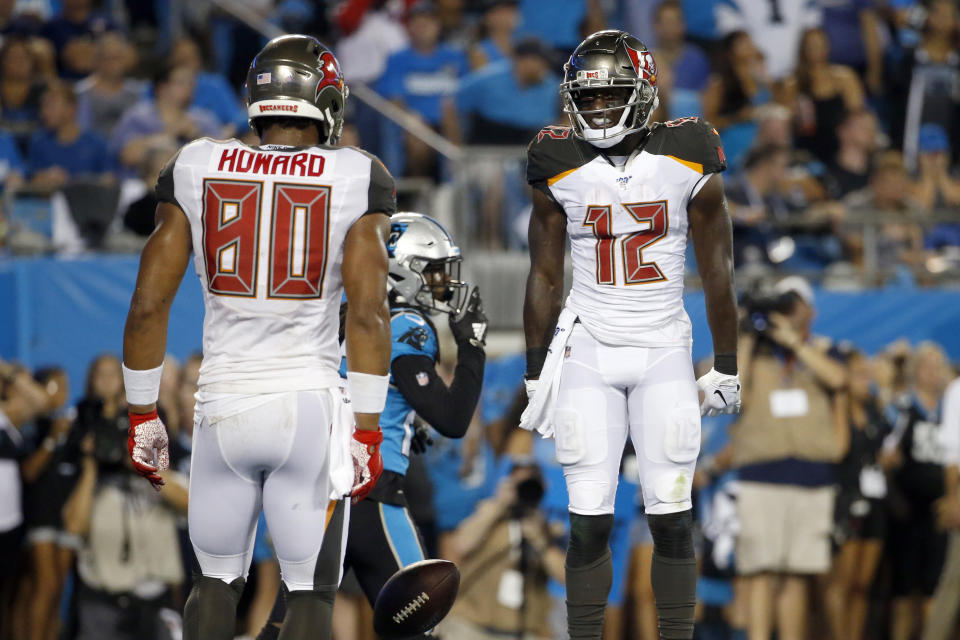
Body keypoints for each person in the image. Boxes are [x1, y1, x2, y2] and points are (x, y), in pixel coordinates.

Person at [120, 34, 396, 640]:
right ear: (323, 100)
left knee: (215, 584)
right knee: (310, 596)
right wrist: (370, 430)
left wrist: (142, 411)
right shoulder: (354, 173)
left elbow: (147, 305)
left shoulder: (197, 163)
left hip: (221, 406)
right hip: (307, 404)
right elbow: (372, 314)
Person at [521, 30, 740, 640]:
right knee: (587, 518)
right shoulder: (555, 159)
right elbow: (543, 275)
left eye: (608, 96)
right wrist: (536, 369)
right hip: (588, 348)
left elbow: (719, 270)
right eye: (585, 99)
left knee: (671, 514)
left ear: (643, 92)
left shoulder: (689, 151)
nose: (594, 110)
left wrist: (725, 362)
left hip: (664, 349)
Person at [257, 211, 488, 640]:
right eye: (433, 270)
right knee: (419, 628)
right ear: (402, 271)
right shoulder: (406, 324)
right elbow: (454, 420)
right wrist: (472, 347)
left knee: (286, 628)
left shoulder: (348, 320)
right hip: (370, 494)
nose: (443, 282)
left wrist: (404, 423)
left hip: (317, 494)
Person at [732, 278, 849, 640]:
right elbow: (733, 394)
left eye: (792, 303)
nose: (785, 310)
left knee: (797, 573)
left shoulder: (824, 350)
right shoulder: (756, 351)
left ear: (809, 311)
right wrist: (747, 334)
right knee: (761, 572)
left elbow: (838, 379)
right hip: (760, 473)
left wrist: (794, 342)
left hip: (811, 474)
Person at [884, 342, 952, 640]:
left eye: (938, 368)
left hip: (941, 510)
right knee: (903, 585)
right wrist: (894, 494)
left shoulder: (950, 410)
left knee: (934, 584)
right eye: (927, 367)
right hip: (907, 508)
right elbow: (885, 456)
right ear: (915, 372)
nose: (933, 374)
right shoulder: (902, 408)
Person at [824, 349, 891, 640]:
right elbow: (839, 450)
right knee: (843, 583)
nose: (867, 381)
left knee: (864, 584)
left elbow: (889, 440)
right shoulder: (836, 409)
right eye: (860, 375)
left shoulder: (874, 409)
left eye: (868, 375)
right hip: (846, 499)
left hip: (874, 502)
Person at [779, 27, 865, 165]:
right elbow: (784, 121)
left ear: (828, 46)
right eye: (811, 45)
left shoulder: (845, 77)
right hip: (805, 149)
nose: (816, 49)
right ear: (803, 49)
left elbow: (856, 114)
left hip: (841, 147)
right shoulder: (792, 84)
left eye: (820, 45)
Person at [25, 82, 111, 192]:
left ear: (70, 109)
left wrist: (76, 182)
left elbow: (109, 180)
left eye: (50, 106)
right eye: (43, 106)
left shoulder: (97, 143)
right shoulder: (38, 142)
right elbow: (29, 180)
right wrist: (43, 178)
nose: (44, 112)